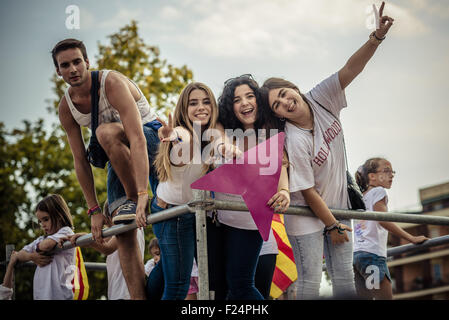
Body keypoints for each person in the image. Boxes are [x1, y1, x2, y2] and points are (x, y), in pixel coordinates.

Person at [259, 1, 395, 299]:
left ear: (293, 88)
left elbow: (351, 68)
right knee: (309, 281)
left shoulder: (321, 97)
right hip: (305, 212)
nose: (284, 102)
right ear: (278, 115)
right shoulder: (293, 139)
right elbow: (307, 191)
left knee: (344, 278)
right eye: (277, 105)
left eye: (284, 94)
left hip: (338, 204)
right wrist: (332, 225)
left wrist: (377, 37)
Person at [52, 38, 161, 299]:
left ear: (87, 62)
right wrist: (93, 210)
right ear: (58, 71)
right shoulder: (66, 107)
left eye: (77, 62)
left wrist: (141, 194)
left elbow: (137, 138)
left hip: (151, 142)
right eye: (65, 65)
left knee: (105, 131)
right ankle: (138, 296)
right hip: (118, 155)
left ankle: (132, 199)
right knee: (121, 224)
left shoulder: (110, 83)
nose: (73, 69)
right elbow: (80, 160)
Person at [147, 82, 235, 300]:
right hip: (172, 214)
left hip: (187, 211)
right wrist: (173, 138)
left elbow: (220, 142)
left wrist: (228, 149)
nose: (201, 107)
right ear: (184, 109)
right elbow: (181, 140)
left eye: (206, 102)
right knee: (178, 285)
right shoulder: (184, 132)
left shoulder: (212, 131)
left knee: (170, 270)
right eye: (193, 103)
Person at [207, 74, 290, 300]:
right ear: (229, 106)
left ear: (258, 101)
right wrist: (226, 147)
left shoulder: (268, 134)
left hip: (252, 226)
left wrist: (284, 191)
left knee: (242, 285)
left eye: (250, 96)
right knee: (222, 290)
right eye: (236, 99)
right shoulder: (221, 125)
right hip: (219, 223)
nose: (244, 103)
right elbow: (218, 138)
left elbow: (280, 168)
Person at [353, 157, 428, 299]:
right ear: (372, 176)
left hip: (358, 256)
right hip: (372, 256)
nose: (391, 174)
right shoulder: (379, 191)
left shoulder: (362, 196)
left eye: (392, 171)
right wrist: (411, 238)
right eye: (386, 171)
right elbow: (383, 220)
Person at [64, 202, 146, 300]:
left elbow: (106, 248)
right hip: (118, 292)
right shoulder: (116, 234)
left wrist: (84, 236)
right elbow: (97, 242)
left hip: (126, 292)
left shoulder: (128, 229)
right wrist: (73, 239)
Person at [0, 194, 75, 300]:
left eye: (46, 219)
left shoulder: (66, 232)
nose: (42, 225)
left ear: (59, 216)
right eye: (40, 221)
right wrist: (32, 257)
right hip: (42, 295)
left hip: (59, 295)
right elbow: (19, 254)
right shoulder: (42, 238)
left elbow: (46, 246)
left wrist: (36, 250)